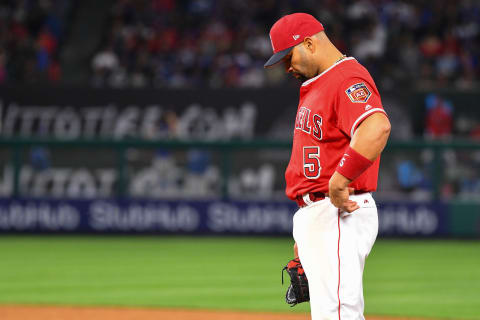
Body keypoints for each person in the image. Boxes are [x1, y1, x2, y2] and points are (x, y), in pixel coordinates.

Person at [264, 13, 391, 319]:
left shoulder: (346, 77)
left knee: (338, 314)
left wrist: (340, 179)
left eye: (288, 57)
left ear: (309, 43)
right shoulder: (318, 83)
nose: (286, 67)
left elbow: (377, 127)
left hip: (337, 210)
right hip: (320, 214)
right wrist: (306, 233)